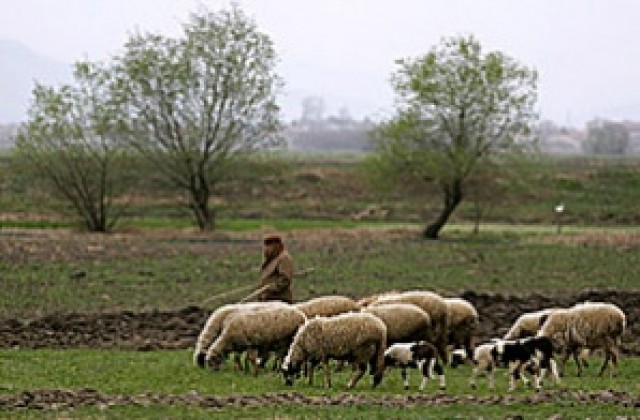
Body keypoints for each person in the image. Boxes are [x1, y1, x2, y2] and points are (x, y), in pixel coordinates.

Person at [257, 234, 294, 303]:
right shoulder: (272, 259)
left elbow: (285, 279)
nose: (266, 249)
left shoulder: (284, 258)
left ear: (276, 245)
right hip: (268, 300)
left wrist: (269, 288)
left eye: (269, 246)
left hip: (280, 300)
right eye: (266, 246)